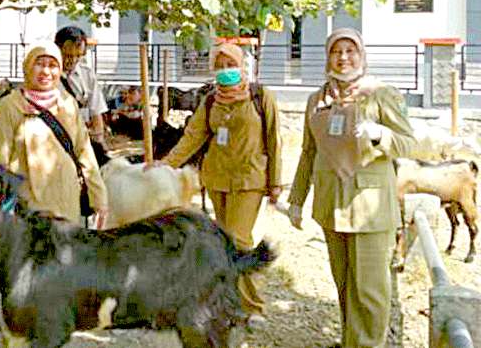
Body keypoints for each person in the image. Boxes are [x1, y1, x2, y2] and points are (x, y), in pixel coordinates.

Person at [287, 28, 415, 348]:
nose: (343, 58)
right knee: (344, 285)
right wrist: (297, 200)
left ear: (361, 55)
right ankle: (350, 342)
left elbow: (409, 145)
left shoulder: (380, 94)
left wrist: (378, 135)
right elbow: (308, 152)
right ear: (328, 56)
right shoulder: (317, 99)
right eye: (336, 51)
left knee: (370, 290)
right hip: (331, 205)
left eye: (350, 51)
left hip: (370, 206)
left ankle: (369, 344)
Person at [159, 43, 282, 326]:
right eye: (220, 64)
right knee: (223, 244)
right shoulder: (211, 100)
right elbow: (194, 136)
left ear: (242, 66)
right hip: (216, 179)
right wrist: (166, 165)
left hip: (249, 179)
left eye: (231, 63)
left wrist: (275, 182)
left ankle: (253, 307)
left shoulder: (260, 96)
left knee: (240, 241)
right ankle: (228, 304)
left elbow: (275, 139)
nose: (226, 70)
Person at [0, 44, 108, 225]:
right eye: (40, 64)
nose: (46, 71)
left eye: (53, 65)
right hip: (26, 207)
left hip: (66, 200)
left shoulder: (68, 104)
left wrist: (99, 198)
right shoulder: (9, 106)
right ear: (27, 67)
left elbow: (84, 152)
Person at [54, 26, 108, 146]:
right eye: (68, 55)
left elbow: (96, 111)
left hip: (83, 139)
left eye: (78, 56)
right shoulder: (47, 76)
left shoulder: (87, 74)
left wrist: (99, 140)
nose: (73, 60)